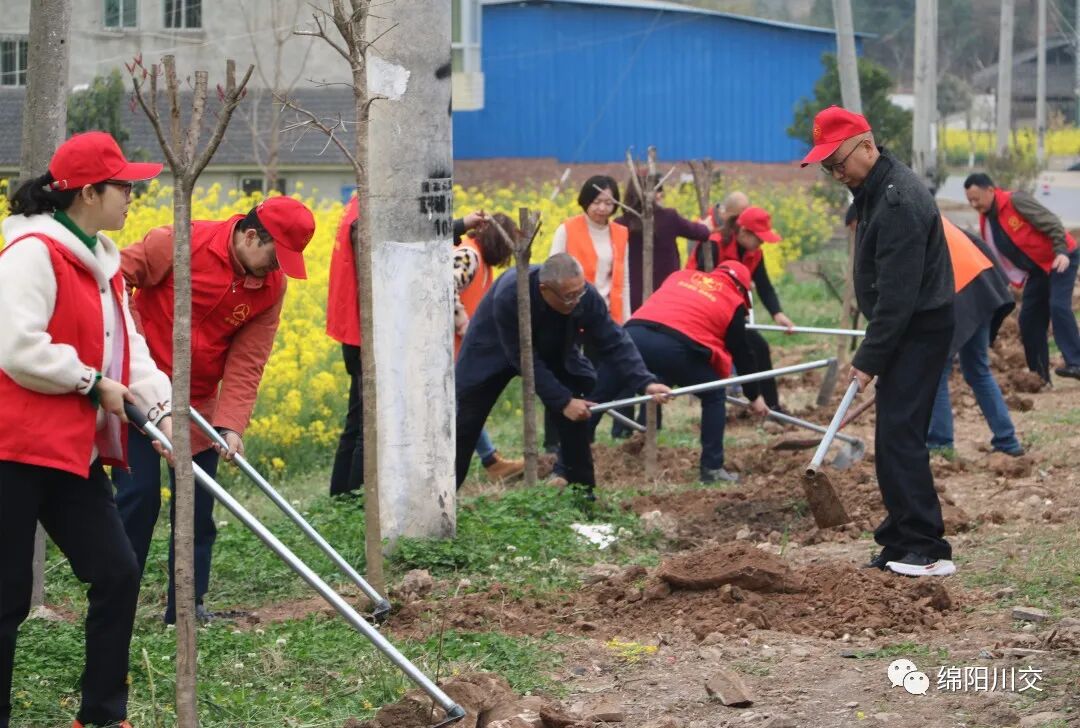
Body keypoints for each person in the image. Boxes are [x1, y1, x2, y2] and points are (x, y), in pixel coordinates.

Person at [0, 131, 173, 728]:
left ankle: (101, 715)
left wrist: (162, 410)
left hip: (70, 451)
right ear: (89, 192)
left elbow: (130, 350)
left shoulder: (104, 263)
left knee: (117, 570)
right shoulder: (31, 254)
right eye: (123, 186)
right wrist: (91, 382)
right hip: (13, 448)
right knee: (6, 595)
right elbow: (17, 347)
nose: (132, 196)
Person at [114, 195, 316, 623]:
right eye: (275, 257)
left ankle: (186, 609)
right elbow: (115, 277)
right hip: (142, 394)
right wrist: (132, 341)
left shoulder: (270, 287)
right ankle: (117, 606)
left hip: (198, 403)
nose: (276, 270)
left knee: (196, 510)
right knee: (138, 498)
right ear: (250, 236)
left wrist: (231, 426)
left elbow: (248, 359)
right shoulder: (177, 243)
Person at [805, 105, 956, 577]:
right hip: (904, 328)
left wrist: (869, 358)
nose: (836, 174)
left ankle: (927, 549)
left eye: (838, 162)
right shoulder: (873, 189)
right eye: (828, 167)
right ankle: (899, 539)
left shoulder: (898, 200)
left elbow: (897, 295)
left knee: (901, 436)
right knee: (891, 437)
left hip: (918, 328)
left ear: (867, 146)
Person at [454, 253, 671, 498]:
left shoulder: (582, 295)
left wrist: (645, 381)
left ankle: (582, 495)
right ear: (544, 289)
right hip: (493, 349)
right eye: (569, 297)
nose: (577, 301)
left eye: (580, 292)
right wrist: (562, 401)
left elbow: (613, 338)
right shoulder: (511, 294)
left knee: (576, 409)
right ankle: (442, 501)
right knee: (465, 423)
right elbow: (523, 358)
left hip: (552, 346)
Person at [624, 261, 769, 483]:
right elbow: (742, 353)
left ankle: (573, 456)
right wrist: (755, 396)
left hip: (633, 335)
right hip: (674, 347)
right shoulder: (732, 301)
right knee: (714, 393)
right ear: (740, 287)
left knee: (595, 399)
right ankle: (712, 469)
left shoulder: (680, 276)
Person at [963, 172, 1080, 382]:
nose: (973, 204)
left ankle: (1076, 362)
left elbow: (1052, 222)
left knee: (1058, 306)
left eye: (976, 199)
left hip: (1060, 258)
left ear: (990, 190)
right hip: (1037, 270)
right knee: (1029, 320)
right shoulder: (987, 219)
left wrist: (1061, 251)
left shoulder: (1015, 201)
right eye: (970, 200)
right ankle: (1039, 376)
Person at [929, 216, 1023, 457]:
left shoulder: (906, 221)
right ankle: (1007, 440)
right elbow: (979, 244)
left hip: (960, 296)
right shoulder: (934, 217)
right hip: (984, 289)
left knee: (936, 371)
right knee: (977, 369)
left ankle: (940, 444)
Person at [691, 205, 795, 410]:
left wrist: (778, 314)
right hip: (701, 312)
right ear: (744, 232)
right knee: (743, 350)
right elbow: (700, 281)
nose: (762, 243)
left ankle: (771, 406)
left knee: (759, 348)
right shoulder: (713, 245)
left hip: (730, 313)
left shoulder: (755, 253)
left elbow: (764, 286)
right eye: (759, 238)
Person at [453, 212, 525, 482]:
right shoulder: (469, 256)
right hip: (448, 345)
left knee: (463, 404)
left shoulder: (481, 262)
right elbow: (443, 287)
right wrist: (463, 323)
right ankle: (491, 461)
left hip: (459, 347)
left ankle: (491, 460)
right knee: (463, 404)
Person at [617, 174, 711, 311]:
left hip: (632, 295)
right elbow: (702, 233)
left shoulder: (620, 223)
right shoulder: (669, 217)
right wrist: (706, 225)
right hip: (667, 293)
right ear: (656, 194)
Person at [550, 176, 630, 323]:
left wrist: (626, 321)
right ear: (586, 200)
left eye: (608, 203)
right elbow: (552, 275)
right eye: (596, 202)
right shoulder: (566, 230)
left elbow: (623, 282)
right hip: (574, 314)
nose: (602, 208)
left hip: (608, 316)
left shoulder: (621, 233)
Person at [687, 190, 750, 271]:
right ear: (724, 212)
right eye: (738, 218)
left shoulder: (738, 231)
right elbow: (695, 260)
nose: (741, 224)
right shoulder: (701, 226)